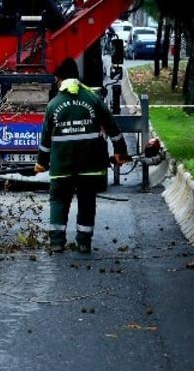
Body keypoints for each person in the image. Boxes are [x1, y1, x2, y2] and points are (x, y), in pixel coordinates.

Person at [34, 58, 129, 253]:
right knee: (87, 200)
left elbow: (45, 141)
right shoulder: (93, 99)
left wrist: (41, 163)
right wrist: (121, 151)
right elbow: (113, 128)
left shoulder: (53, 105)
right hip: (90, 166)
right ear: (77, 77)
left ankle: (57, 242)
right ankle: (84, 242)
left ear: (59, 79)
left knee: (59, 201)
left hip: (62, 168)